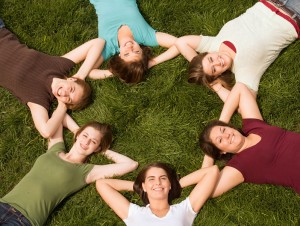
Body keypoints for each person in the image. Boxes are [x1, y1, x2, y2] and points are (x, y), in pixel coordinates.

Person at [0, 121, 138, 226]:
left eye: (93, 141)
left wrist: (103, 150)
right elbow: (60, 118)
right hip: (3, 204)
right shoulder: (55, 149)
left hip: (24, 220)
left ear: (97, 148)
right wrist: (75, 129)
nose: (86, 142)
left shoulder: (86, 171)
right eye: (85, 135)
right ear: (77, 135)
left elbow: (131, 164)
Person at [175, 0, 300, 101]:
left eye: (210, 59)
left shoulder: (213, 44)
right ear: (218, 75)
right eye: (214, 69)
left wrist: (201, 68)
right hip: (295, 14)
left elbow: (181, 42)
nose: (217, 62)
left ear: (208, 53)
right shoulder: (245, 72)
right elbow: (243, 106)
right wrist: (216, 87)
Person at [0, 18, 103, 138]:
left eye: (68, 99)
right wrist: (81, 75)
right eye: (71, 90)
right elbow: (98, 42)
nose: (65, 93)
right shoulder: (59, 66)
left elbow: (46, 132)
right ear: (71, 79)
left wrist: (62, 106)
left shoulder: (39, 98)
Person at [199, 82, 300, 197]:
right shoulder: (239, 166)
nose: (226, 135)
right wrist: (210, 154)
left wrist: (220, 124)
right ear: (222, 151)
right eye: (220, 140)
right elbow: (205, 191)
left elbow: (240, 88)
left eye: (224, 130)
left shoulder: (254, 126)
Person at [84, 0, 178, 84]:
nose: (130, 48)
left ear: (119, 56)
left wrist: (119, 71)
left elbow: (89, 72)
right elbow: (178, 44)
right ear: (142, 51)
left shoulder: (108, 45)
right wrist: (152, 62)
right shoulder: (145, 36)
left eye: (127, 54)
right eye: (136, 52)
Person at [96, 162, 219, 226]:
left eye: (163, 178)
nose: (158, 182)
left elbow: (212, 171)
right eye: (151, 179)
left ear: (169, 184)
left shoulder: (184, 210)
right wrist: (142, 187)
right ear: (144, 185)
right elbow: (102, 184)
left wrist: (176, 184)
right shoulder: (134, 214)